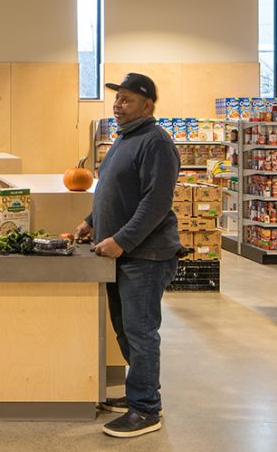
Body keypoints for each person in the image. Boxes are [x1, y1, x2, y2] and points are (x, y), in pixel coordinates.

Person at [74, 73, 182, 438]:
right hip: (121, 253)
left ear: (147, 105)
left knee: (141, 331)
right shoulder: (126, 138)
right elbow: (114, 189)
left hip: (146, 255)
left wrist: (121, 239)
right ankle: (142, 393)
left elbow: (156, 202)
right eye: (116, 99)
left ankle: (146, 410)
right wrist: (92, 221)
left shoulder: (156, 143)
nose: (118, 106)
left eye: (126, 100)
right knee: (124, 328)